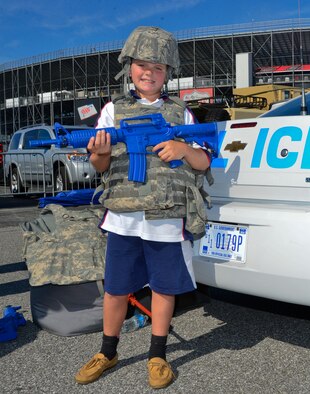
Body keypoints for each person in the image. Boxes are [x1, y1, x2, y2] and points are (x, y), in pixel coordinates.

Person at [75, 26, 212, 389]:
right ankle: (108, 350)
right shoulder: (112, 111)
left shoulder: (180, 113)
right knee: (116, 289)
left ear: (168, 72)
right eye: (141, 65)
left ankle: (157, 354)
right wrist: (100, 154)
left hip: (167, 218)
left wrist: (183, 150)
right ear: (129, 68)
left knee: (164, 287)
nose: (148, 72)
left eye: (158, 66)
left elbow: (204, 162)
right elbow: (100, 167)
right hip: (123, 218)